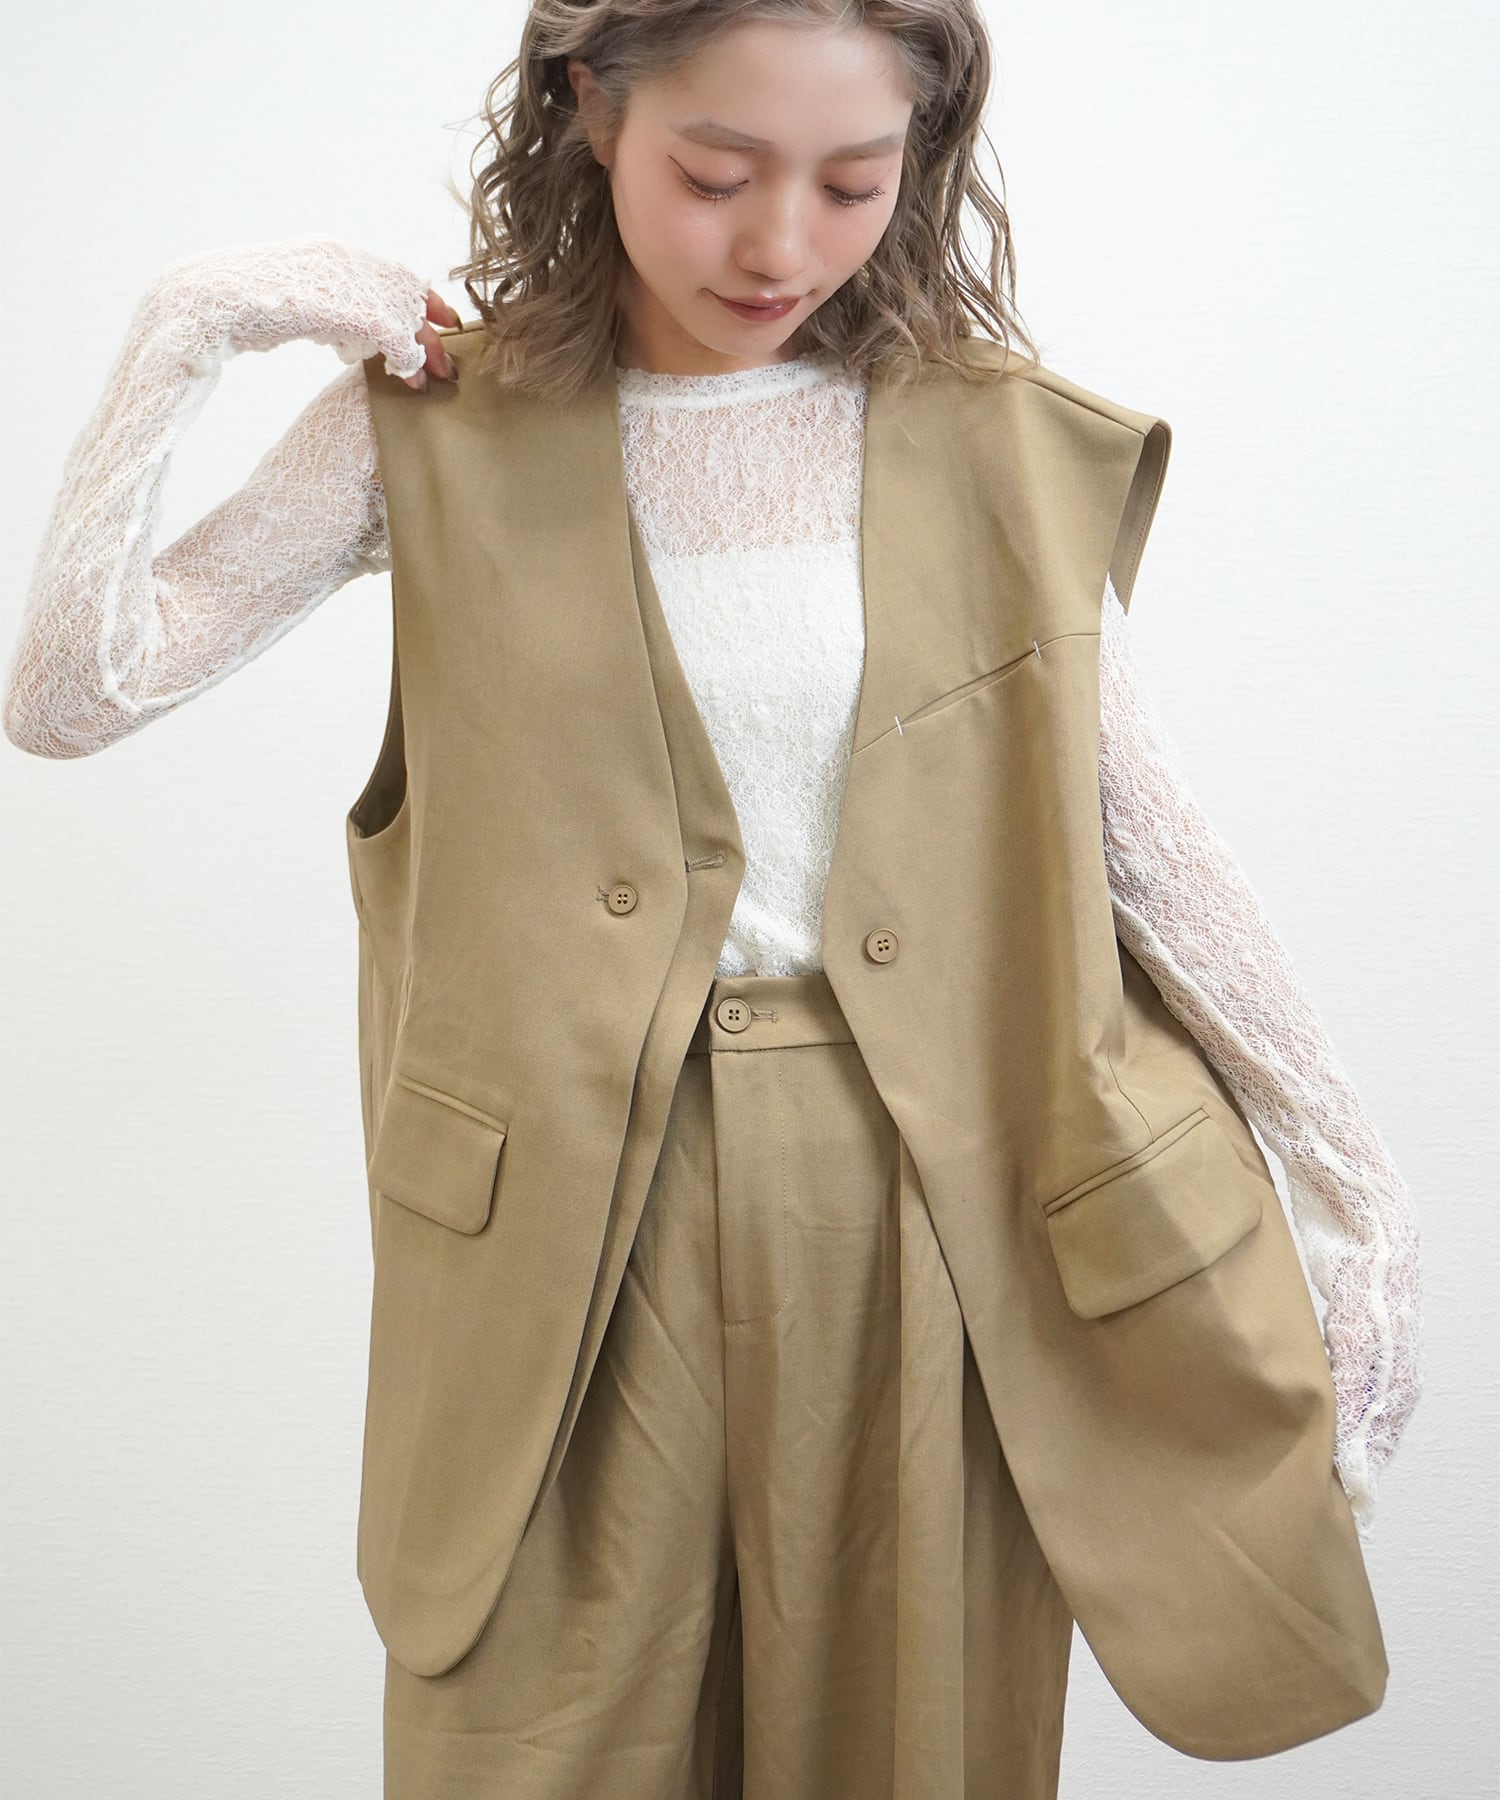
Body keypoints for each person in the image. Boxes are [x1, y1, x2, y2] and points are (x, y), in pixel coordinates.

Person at [2, 1, 1422, 1794]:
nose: (780, 246)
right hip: (560, 1225)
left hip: (926, 1196)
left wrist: (1363, 1201)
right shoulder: (429, 424)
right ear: (589, 108)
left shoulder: (992, 442)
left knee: (907, 1748)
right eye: (717, 172)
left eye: (852, 182)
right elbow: (71, 695)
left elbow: (1147, 849)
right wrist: (190, 325)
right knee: (534, 1745)